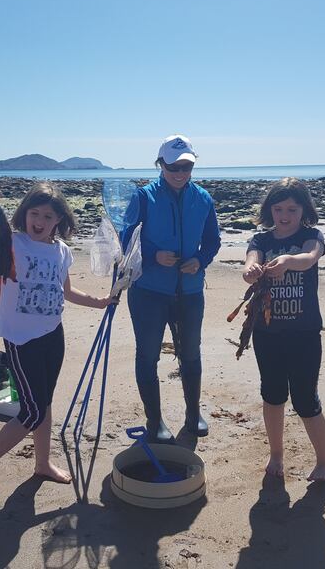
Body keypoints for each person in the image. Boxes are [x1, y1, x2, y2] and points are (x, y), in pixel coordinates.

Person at [0, 183, 114, 499]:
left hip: (52, 336)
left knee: (42, 404)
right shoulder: (11, 243)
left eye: (48, 215)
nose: (40, 220)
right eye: (35, 213)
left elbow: (67, 292)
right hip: (21, 340)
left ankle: (42, 463)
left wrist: (99, 301)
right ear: (24, 214)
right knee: (30, 412)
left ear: (59, 220)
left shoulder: (62, 251)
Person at [121, 135, 221, 443]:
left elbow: (213, 241)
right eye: (173, 167)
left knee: (190, 353)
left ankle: (193, 414)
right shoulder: (144, 197)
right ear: (160, 165)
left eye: (186, 167)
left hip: (189, 290)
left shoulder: (203, 198)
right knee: (148, 355)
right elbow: (125, 239)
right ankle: (155, 422)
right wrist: (154, 256)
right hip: (149, 290)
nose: (180, 173)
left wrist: (199, 260)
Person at [241, 177, 325, 481]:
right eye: (278, 208)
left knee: (306, 400)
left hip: (304, 335)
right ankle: (277, 455)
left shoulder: (312, 236)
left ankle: (324, 461)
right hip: (267, 335)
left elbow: (309, 258)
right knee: (272, 395)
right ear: (269, 210)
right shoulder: (261, 241)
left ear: (303, 210)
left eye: (292, 209)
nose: (284, 215)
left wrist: (288, 261)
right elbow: (250, 263)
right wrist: (252, 269)